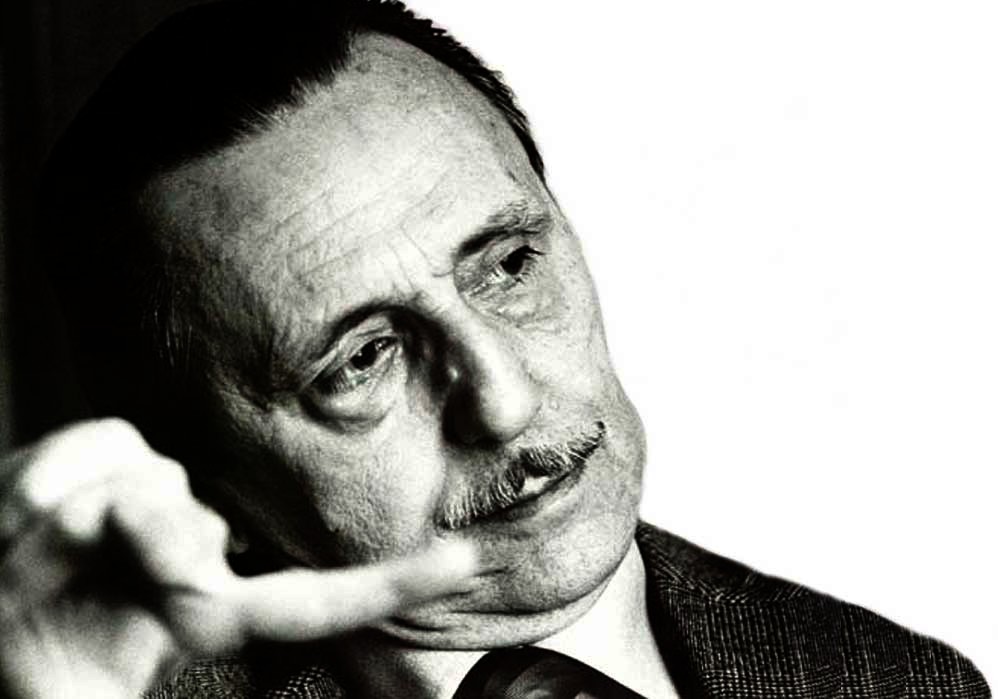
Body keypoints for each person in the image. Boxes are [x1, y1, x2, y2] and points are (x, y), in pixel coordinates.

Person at [0, 1, 989, 697]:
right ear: (200, 479)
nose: (504, 401)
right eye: (361, 359)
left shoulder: (901, 681)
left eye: (509, 265)